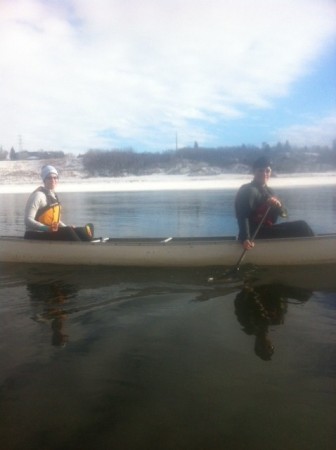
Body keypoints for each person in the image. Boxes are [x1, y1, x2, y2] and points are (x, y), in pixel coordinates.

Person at [235, 156, 314, 250]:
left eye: (267, 171)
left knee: (301, 226)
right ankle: (318, 248)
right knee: (302, 226)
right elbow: (242, 216)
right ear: (254, 172)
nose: (264, 174)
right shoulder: (248, 190)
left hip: (267, 230)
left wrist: (279, 206)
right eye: (260, 170)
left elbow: (284, 215)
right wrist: (245, 239)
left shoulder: (270, 192)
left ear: (271, 172)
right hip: (253, 235)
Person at [24, 165, 93, 241]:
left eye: (55, 178)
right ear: (44, 180)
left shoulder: (53, 196)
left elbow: (55, 220)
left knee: (84, 229)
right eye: (49, 178)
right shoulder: (38, 195)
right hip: (35, 234)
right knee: (68, 232)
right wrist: (46, 228)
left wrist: (66, 227)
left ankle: (88, 245)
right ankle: (81, 249)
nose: (53, 180)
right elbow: (28, 220)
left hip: (49, 233)